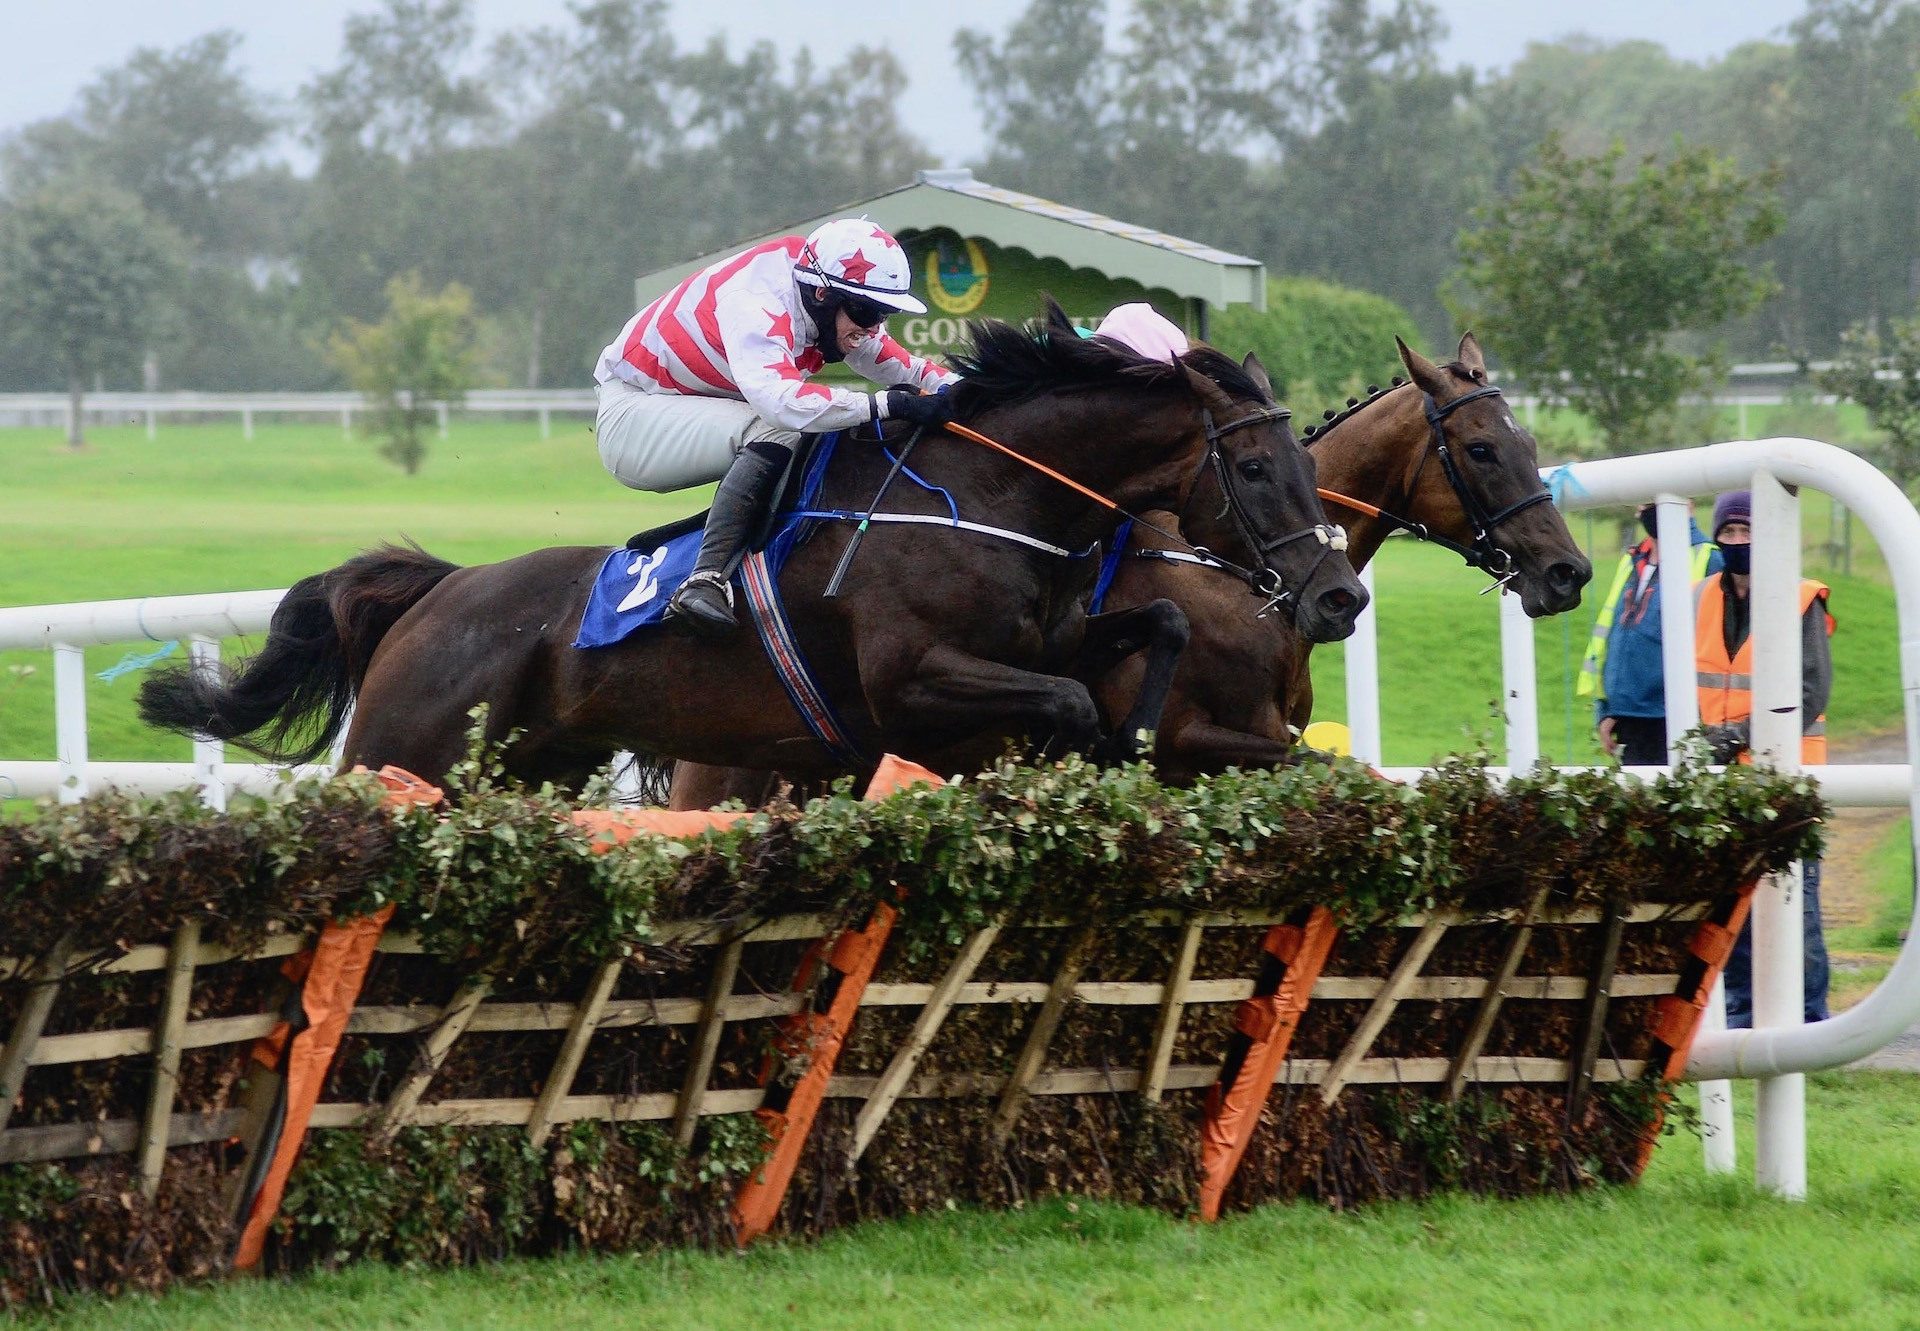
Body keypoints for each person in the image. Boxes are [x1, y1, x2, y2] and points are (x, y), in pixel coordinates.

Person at [593, 218, 957, 634]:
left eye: (884, 313)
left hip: (686, 403)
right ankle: (705, 579)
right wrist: (886, 404)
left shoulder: (822, 291)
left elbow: (907, 367)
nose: (873, 328)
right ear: (822, 295)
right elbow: (781, 403)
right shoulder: (756, 299)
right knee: (780, 431)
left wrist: (975, 390)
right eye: (867, 312)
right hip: (634, 415)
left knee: (820, 428)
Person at [1695, 489, 1837, 1026]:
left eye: (1746, 532)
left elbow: (1811, 691)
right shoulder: (1699, 597)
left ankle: (1810, 1019)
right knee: (1731, 909)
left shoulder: (1801, 598)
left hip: (1787, 778)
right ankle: (1742, 1016)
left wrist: (1739, 738)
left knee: (1795, 908)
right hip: (1721, 782)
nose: (1737, 542)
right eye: (1728, 534)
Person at [1576, 501, 1721, 764]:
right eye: (1643, 502)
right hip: (1630, 718)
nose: (1645, 509)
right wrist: (1607, 709)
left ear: (1688, 503)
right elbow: (1613, 637)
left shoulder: (1709, 559)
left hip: (1679, 718)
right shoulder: (1633, 559)